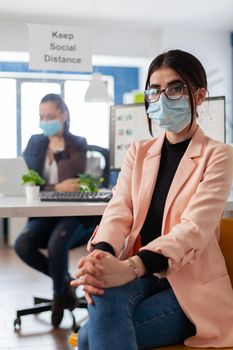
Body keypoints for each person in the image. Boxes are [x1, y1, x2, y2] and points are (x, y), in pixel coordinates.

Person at [71, 50, 233, 349]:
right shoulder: (139, 151)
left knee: (88, 337)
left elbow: (193, 229)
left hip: (189, 288)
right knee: (102, 294)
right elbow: (119, 210)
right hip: (141, 276)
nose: (163, 98)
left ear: (199, 96)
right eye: (155, 90)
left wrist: (131, 267)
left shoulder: (219, 155)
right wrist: (103, 255)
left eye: (175, 88)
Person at [15, 93, 97, 327]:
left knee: (56, 244)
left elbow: (69, 183)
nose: (45, 121)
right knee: (23, 244)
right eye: (41, 116)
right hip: (44, 214)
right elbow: (28, 180)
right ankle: (65, 282)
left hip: (73, 214)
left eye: (50, 116)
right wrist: (52, 186)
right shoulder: (35, 142)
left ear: (64, 115)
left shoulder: (78, 143)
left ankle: (58, 295)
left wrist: (59, 152)